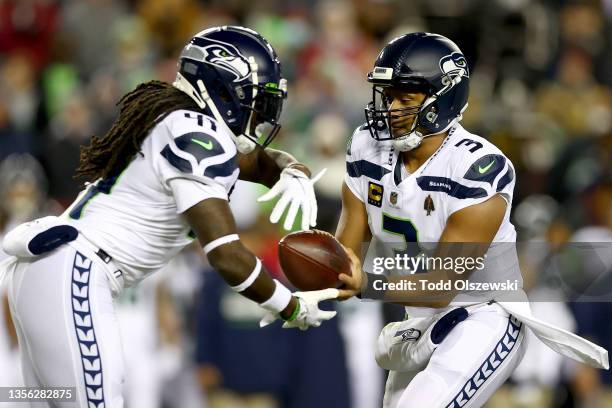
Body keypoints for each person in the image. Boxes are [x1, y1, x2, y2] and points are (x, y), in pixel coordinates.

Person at [2, 26, 338, 408]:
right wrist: (289, 305)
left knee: (42, 401)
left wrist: (294, 170)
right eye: (255, 99)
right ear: (223, 90)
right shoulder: (198, 133)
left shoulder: (183, 123)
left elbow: (259, 163)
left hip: (53, 268)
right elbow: (226, 254)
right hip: (78, 269)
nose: (260, 113)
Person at [333, 32, 607, 407]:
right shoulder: (367, 146)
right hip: (418, 320)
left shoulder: (475, 168)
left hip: (483, 315)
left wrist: (367, 283)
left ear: (442, 99)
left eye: (405, 98)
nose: (391, 108)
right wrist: (317, 272)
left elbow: (442, 286)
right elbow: (345, 252)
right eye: (388, 95)